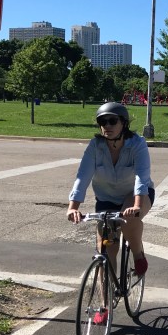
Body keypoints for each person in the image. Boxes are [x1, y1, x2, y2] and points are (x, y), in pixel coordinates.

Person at [66, 102, 155, 286]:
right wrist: (73, 207)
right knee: (105, 250)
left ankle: (138, 254)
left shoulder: (137, 144)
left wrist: (137, 206)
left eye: (112, 121)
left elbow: (141, 177)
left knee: (129, 217)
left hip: (136, 194)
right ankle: (105, 306)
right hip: (106, 198)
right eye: (102, 121)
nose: (107, 125)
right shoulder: (95, 146)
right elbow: (82, 176)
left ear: (123, 123)